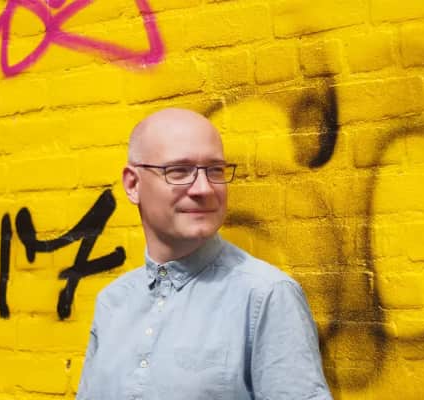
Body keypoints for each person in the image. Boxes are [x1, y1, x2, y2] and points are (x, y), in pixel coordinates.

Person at [76, 108, 333, 400]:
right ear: (133, 185)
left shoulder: (265, 297)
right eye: (178, 171)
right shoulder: (113, 302)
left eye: (215, 170)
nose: (204, 188)